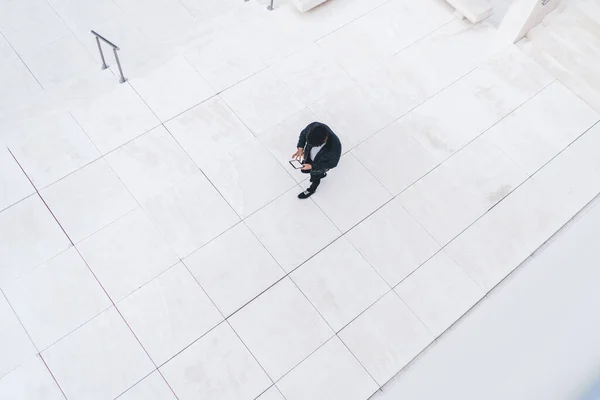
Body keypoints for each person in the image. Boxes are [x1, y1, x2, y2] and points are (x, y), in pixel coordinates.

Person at [292, 122, 342, 199]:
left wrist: (312, 166)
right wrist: (301, 147)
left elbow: (332, 164)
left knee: (315, 177)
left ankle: (312, 189)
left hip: (320, 164)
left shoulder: (335, 147)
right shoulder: (313, 127)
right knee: (304, 169)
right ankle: (321, 174)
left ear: (325, 139)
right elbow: (303, 134)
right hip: (309, 156)